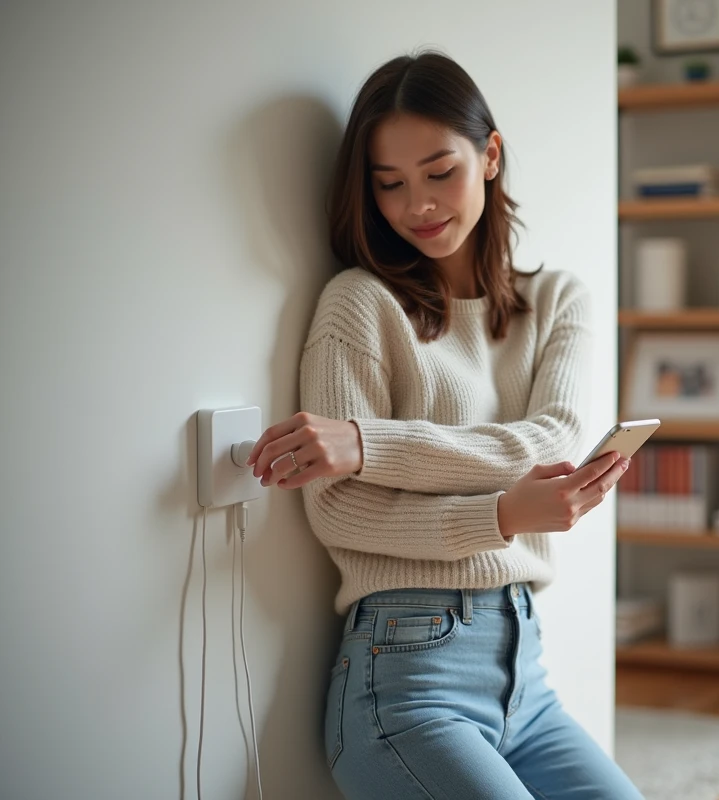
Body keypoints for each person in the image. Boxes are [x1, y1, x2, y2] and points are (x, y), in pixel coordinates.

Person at [244, 52, 643, 800]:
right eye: (388, 183)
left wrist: (369, 444)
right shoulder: (358, 305)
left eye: (439, 172)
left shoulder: (558, 299)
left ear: (490, 156)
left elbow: (552, 439)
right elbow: (337, 509)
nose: (416, 205)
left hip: (525, 678)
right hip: (403, 682)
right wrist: (500, 513)